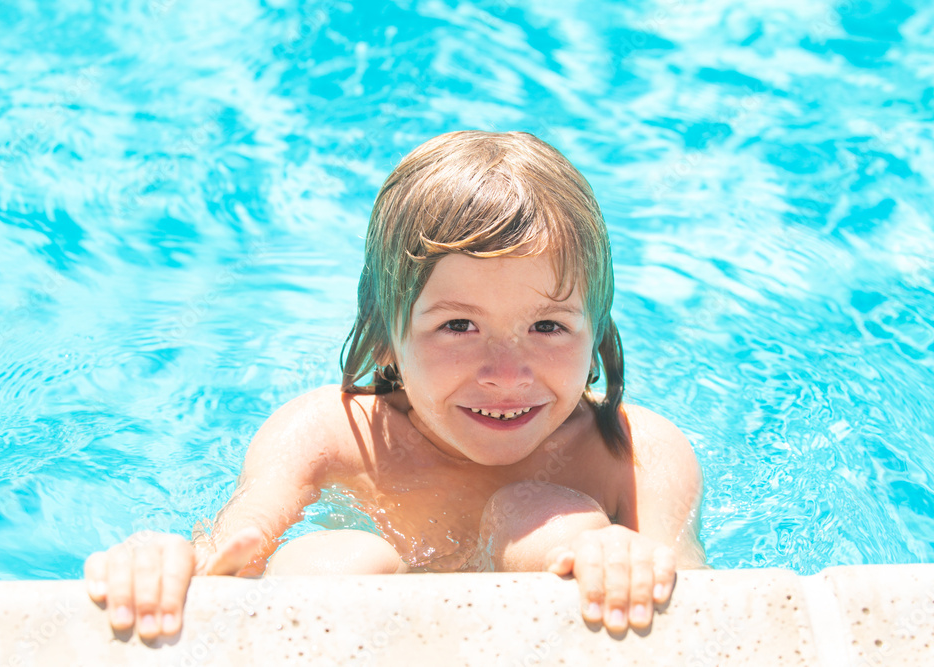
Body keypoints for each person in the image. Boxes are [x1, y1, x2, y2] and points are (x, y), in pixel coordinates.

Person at [84, 130, 705, 641]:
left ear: (597, 337)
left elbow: (700, 602)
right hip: (356, 633)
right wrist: (166, 565)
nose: (506, 372)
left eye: (548, 326)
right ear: (385, 338)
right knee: (337, 561)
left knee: (550, 519)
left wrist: (624, 562)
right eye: (458, 326)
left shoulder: (631, 453)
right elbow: (231, 552)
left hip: (557, 641)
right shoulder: (330, 433)